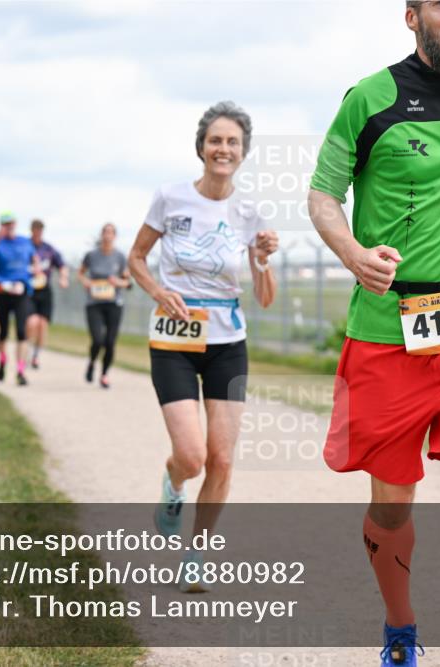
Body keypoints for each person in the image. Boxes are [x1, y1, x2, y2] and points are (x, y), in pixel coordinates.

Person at [308, 1, 440, 664]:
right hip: (386, 334)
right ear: (412, 16)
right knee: (393, 506)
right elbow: (323, 195)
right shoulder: (370, 98)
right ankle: (401, 625)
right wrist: (353, 255)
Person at [128, 101, 278, 590]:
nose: (223, 148)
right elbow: (136, 258)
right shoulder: (170, 199)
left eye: (233, 142)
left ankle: (197, 553)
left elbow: (266, 297)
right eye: (216, 140)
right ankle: (173, 485)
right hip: (172, 338)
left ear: (243, 153)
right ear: (201, 147)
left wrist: (260, 258)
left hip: (227, 342)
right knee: (191, 457)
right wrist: (157, 291)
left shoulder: (250, 211)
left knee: (223, 459)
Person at [0, 211, 41, 386]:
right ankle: (2, 360)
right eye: (5, 224)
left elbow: (35, 260)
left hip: (21, 290)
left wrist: (36, 271)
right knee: (4, 332)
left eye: (11, 223)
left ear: (15, 223)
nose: (9, 226)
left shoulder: (24, 242)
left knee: (22, 331)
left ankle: (21, 370)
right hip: (1, 291)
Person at [79, 223, 130, 388]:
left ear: (115, 236)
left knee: (110, 341)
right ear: (101, 235)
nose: (107, 235)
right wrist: (86, 281)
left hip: (114, 304)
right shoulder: (91, 255)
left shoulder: (120, 257)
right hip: (94, 303)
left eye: (111, 233)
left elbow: (127, 282)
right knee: (97, 339)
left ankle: (104, 374)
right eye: (105, 232)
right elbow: (80, 273)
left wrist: (117, 282)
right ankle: (92, 362)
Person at [27, 219, 69, 369]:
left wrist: (63, 278)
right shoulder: (25, 247)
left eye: (40, 229)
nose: (37, 232)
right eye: (35, 229)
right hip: (28, 290)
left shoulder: (48, 249)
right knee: (32, 322)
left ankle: (36, 355)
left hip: (44, 290)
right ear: (31, 230)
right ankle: (27, 348)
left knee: (43, 324)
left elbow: (62, 265)